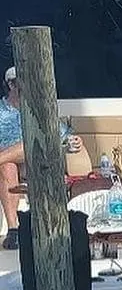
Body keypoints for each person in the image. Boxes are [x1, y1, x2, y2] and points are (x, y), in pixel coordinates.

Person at [0, 65, 86, 251]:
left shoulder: (39, 110)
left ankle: (23, 230)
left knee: (30, 145)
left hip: (37, 162)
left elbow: (63, 137)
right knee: (8, 165)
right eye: (22, 84)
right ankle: (14, 230)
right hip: (9, 168)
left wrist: (75, 141)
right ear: (11, 85)